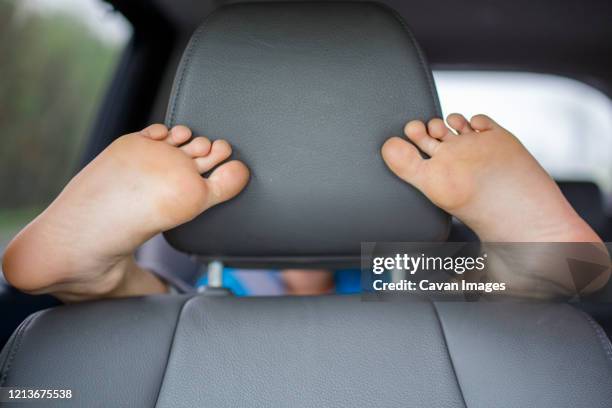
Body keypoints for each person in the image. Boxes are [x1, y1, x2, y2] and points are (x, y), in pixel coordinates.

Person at [2, 114, 608, 302]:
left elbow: (582, 270)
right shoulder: (404, 272)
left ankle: (96, 280)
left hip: (226, 312)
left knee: (164, 309)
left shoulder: (402, 267)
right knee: (175, 308)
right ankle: (94, 276)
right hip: (386, 311)